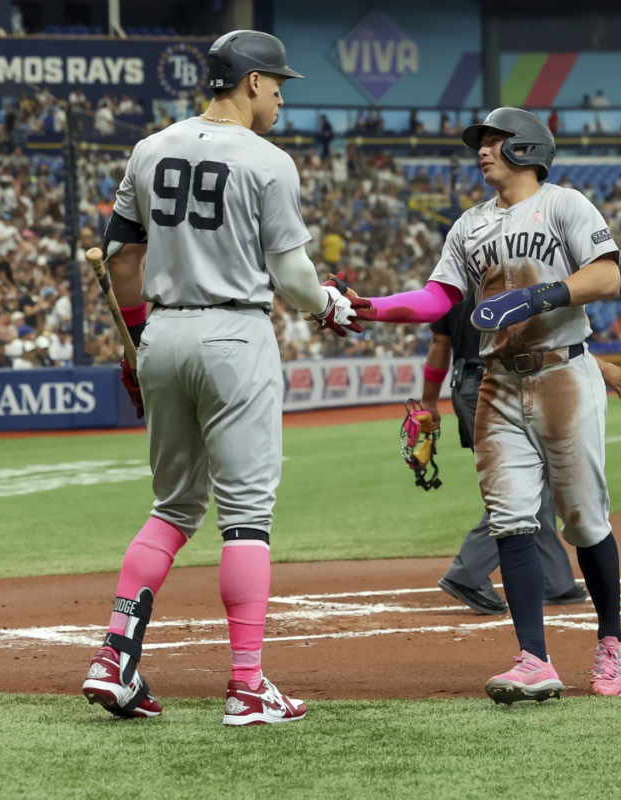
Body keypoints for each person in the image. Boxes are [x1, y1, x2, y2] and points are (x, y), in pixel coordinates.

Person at [81, 30, 363, 727]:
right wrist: (329, 302)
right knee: (246, 518)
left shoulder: (149, 149)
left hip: (165, 332)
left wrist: (141, 343)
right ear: (252, 82)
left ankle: (114, 658)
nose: (280, 96)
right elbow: (294, 281)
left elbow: (120, 261)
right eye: (278, 84)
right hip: (235, 332)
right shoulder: (268, 160)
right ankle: (245, 686)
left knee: (173, 508)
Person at [336, 108, 621, 701]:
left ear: (526, 147)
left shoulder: (564, 204)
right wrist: (375, 307)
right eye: (482, 141)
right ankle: (533, 658)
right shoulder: (468, 225)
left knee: (582, 520)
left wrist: (531, 299)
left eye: (493, 140)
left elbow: (606, 278)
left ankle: (610, 642)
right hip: (497, 382)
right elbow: (435, 297)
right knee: (512, 519)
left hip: (563, 375)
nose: (482, 149)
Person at [425, 293, 621, 615]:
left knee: (534, 485)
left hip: (466, 383)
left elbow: (440, 343)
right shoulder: (509, 272)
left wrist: (428, 401)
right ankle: (467, 572)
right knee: (517, 485)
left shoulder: (452, 285)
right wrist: (599, 366)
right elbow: (540, 337)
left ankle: (558, 581)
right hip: (504, 379)